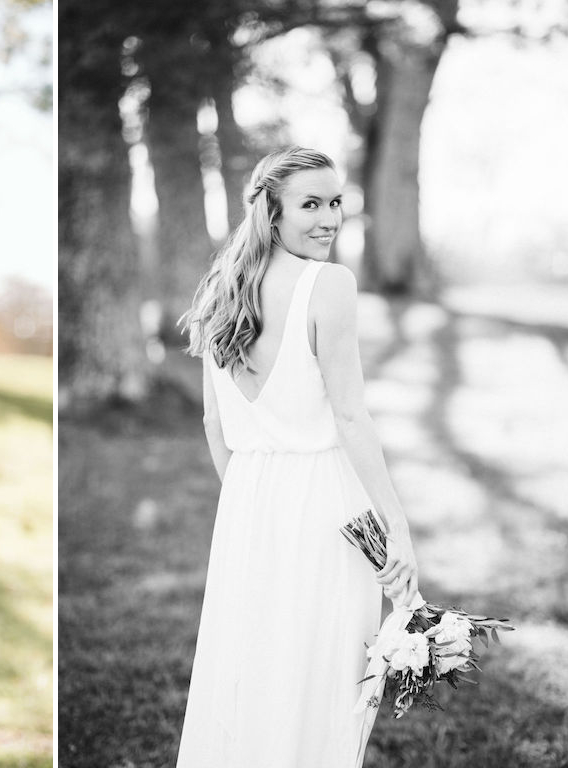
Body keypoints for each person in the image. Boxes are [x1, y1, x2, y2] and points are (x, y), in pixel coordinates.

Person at [175, 146, 419, 766]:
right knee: (326, 675)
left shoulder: (219, 288)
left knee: (251, 667)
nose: (329, 218)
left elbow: (214, 423)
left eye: (335, 202)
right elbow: (351, 416)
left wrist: (249, 500)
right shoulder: (327, 285)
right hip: (325, 500)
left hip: (248, 502)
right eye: (310, 204)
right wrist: (395, 523)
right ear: (271, 213)